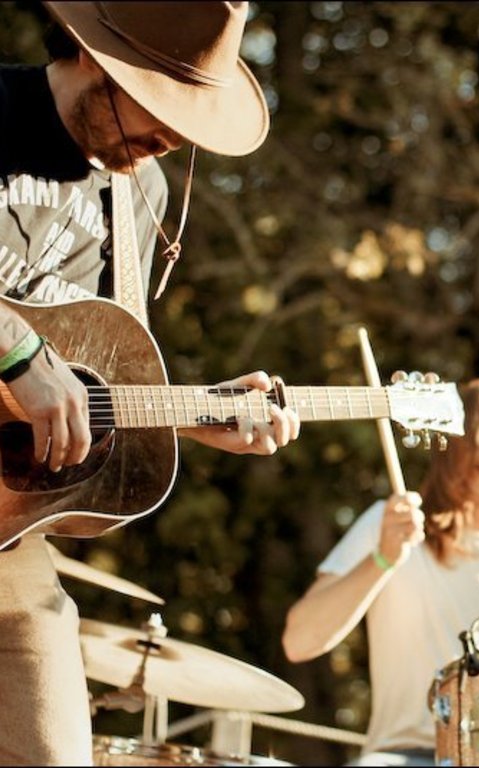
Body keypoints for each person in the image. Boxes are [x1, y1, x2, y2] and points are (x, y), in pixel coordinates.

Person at [0, 3, 300, 764]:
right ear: (94, 56)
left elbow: (91, 379)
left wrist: (191, 414)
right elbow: (34, 367)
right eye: (158, 104)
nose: (171, 136)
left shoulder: (143, 196)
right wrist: (17, 351)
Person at [283, 376, 479, 766]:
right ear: (452, 439)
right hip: (406, 757)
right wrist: (382, 559)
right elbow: (299, 641)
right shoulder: (391, 522)